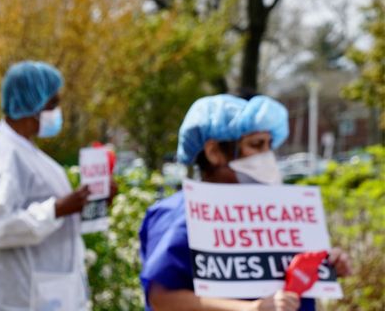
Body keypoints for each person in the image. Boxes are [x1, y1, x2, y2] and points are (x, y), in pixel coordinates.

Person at [139, 94, 353, 311]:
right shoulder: (179, 214)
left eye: (269, 145)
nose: (267, 155)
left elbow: (292, 271)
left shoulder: (282, 210)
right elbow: (162, 299)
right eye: (256, 144)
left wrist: (326, 264)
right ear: (214, 152)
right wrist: (252, 309)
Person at [0, 61, 93, 311]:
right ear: (32, 104)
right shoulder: (2, 155)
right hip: (17, 298)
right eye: (53, 104)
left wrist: (89, 204)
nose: (57, 112)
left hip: (44, 295)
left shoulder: (25, 152)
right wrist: (56, 210)